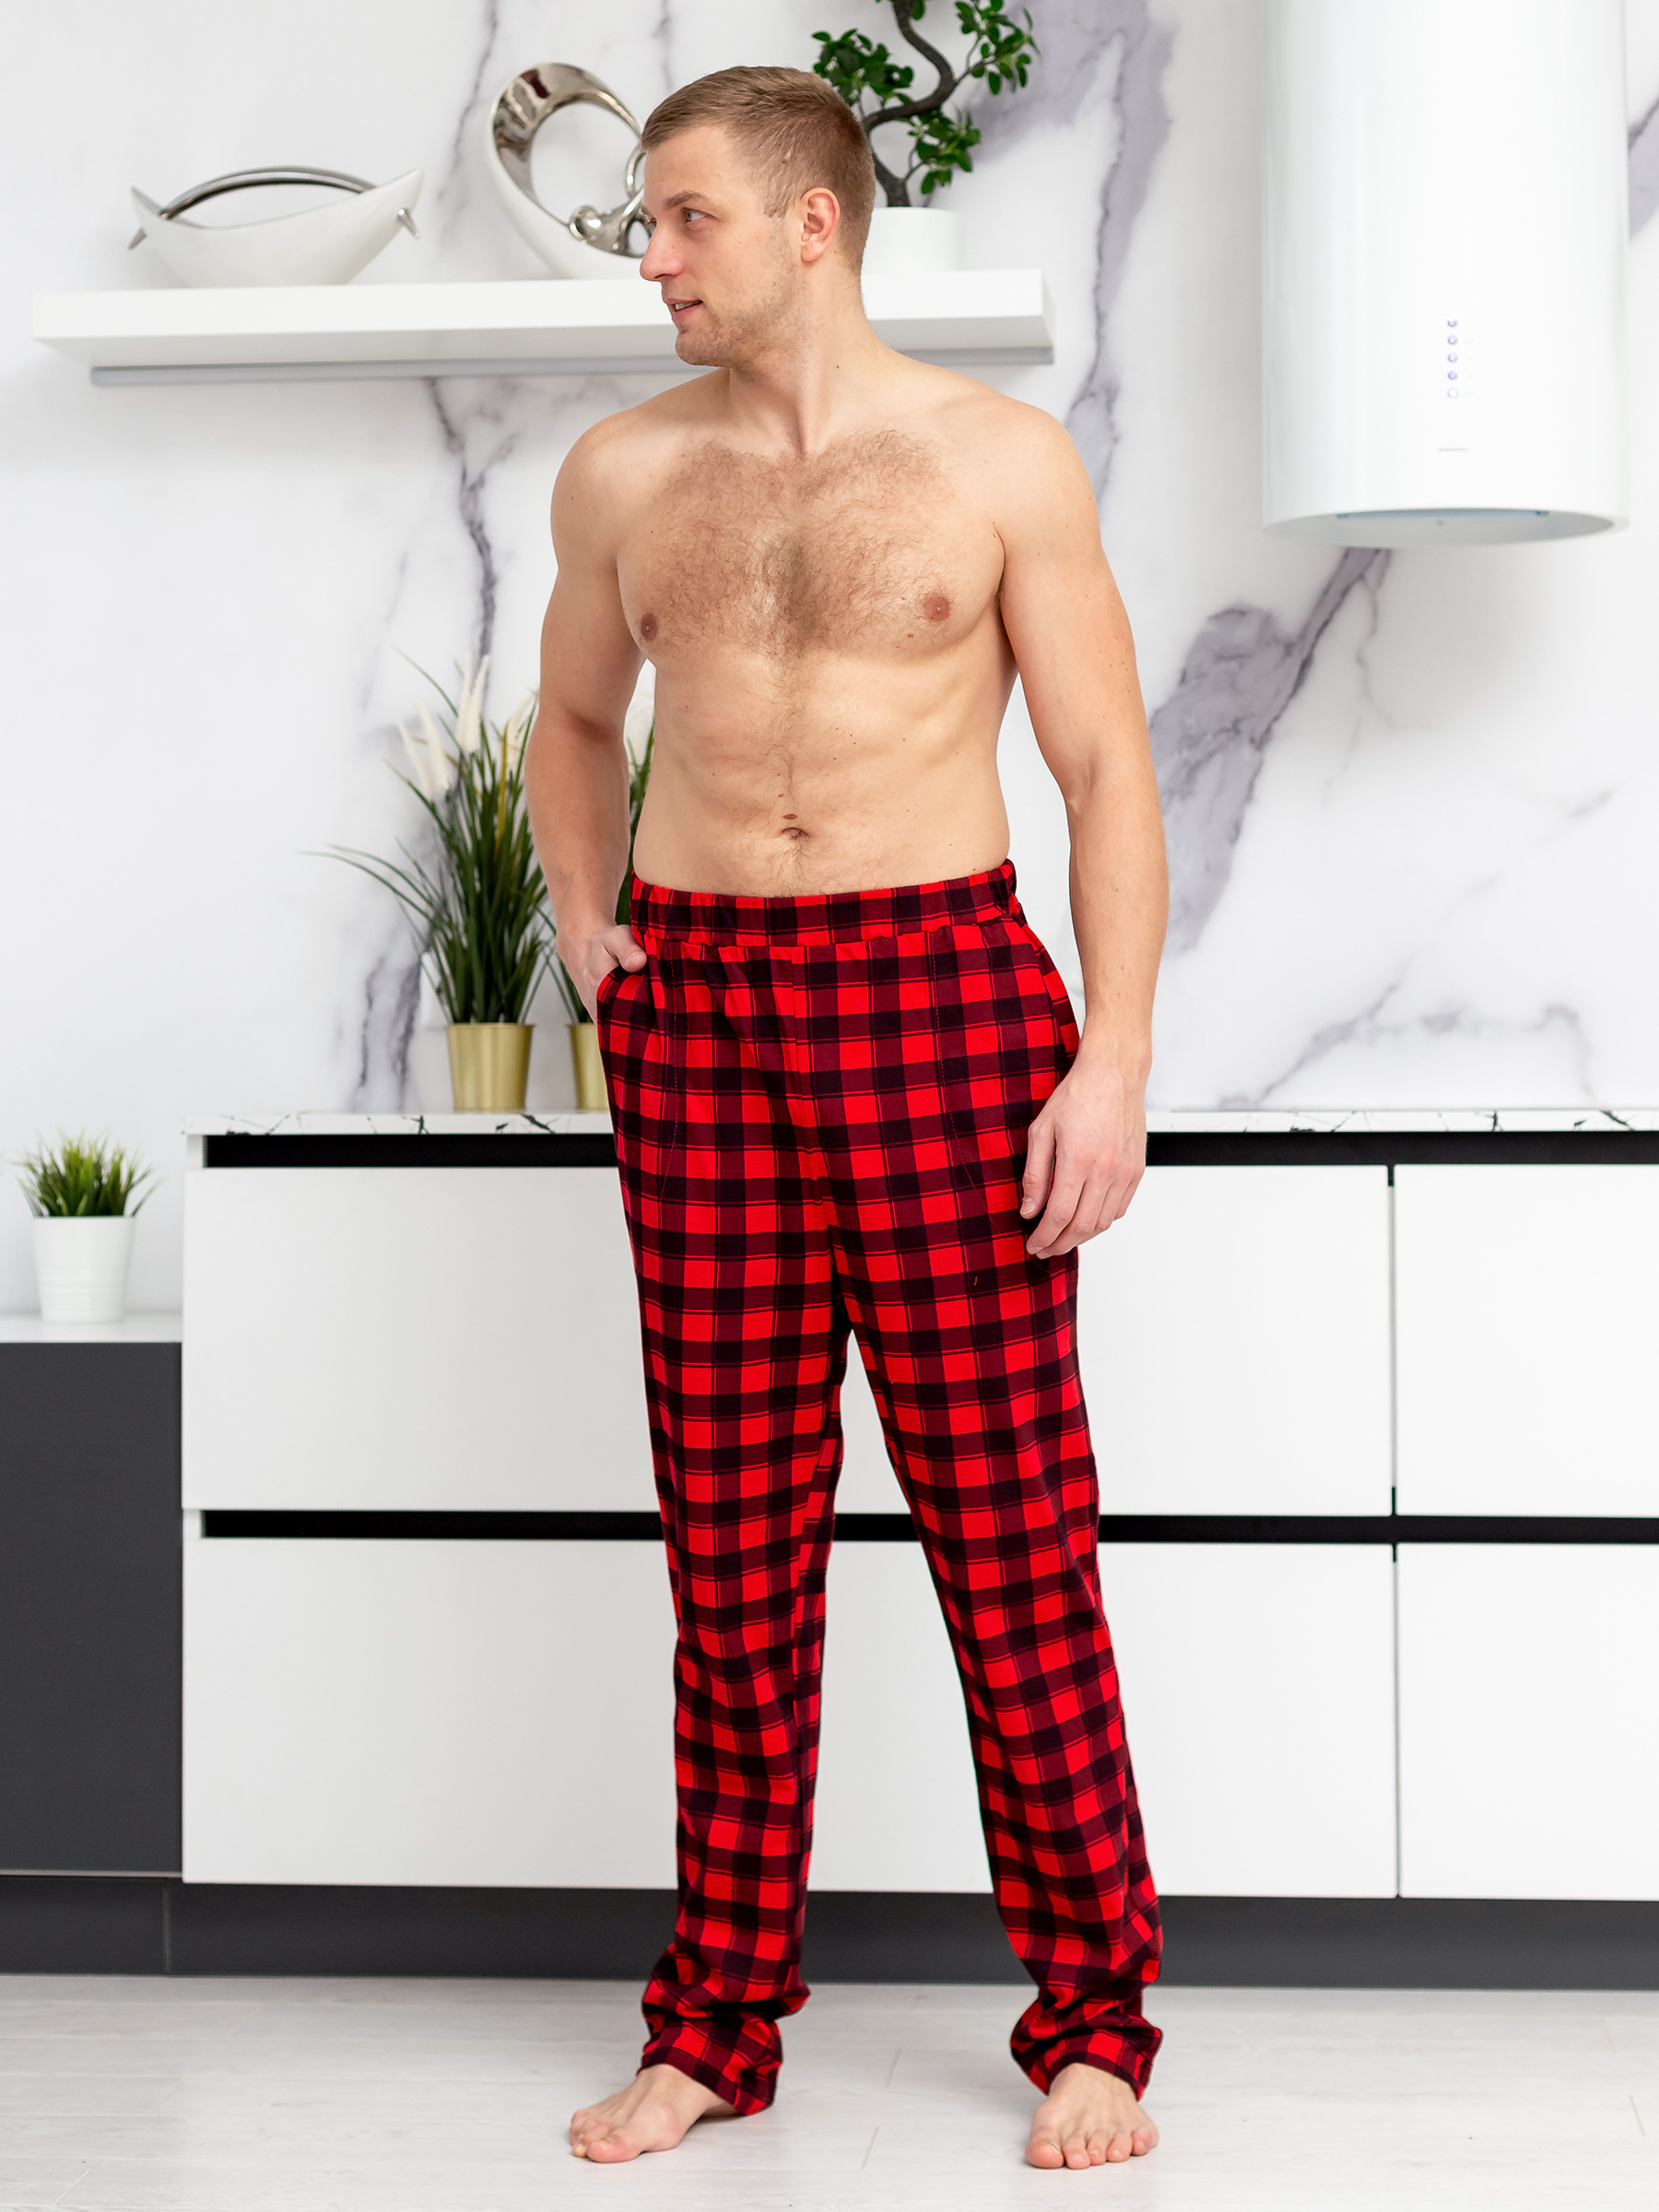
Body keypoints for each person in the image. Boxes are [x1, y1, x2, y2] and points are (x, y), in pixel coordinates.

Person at [526, 64, 1168, 2175]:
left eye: (686, 217)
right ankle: (714, 2026)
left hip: (941, 997)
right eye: (648, 220)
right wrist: (594, 931)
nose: (653, 257)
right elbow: (572, 720)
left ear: (815, 222)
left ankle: (1093, 2026)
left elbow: (1104, 768)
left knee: (1012, 1542)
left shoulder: (998, 462)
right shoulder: (625, 474)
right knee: (733, 1550)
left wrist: (1113, 1057)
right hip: (703, 1015)